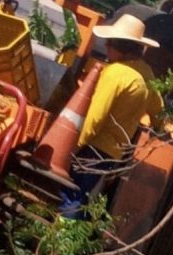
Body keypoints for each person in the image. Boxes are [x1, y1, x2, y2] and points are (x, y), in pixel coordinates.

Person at [59, 14, 163, 218]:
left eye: (110, 43)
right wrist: (157, 130)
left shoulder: (115, 73)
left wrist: (72, 146)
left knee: (71, 195)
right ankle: (68, 242)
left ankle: (60, 244)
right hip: (112, 154)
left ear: (121, 46)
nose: (106, 46)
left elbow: (94, 119)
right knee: (84, 198)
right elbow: (159, 112)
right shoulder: (147, 75)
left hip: (92, 149)